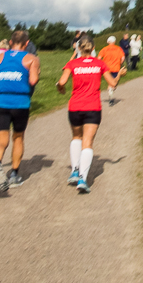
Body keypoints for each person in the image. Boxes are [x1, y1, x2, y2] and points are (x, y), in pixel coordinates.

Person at [56, 36, 120, 194]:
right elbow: (112, 84)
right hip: (93, 107)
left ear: (78, 48)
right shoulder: (99, 64)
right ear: (93, 48)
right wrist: (120, 75)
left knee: (76, 137)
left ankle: (74, 171)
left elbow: (61, 83)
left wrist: (60, 88)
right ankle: (83, 179)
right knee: (88, 141)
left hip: (75, 106)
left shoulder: (72, 64)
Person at [0, 30, 40, 191]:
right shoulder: (31, 59)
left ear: (10, 42)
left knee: (1, 141)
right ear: (27, 44)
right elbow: (33, 80)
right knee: (18, 138)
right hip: (20, 103)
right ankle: (14, 175)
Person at [98, 36, 126, 105]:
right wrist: (120, 64)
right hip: (116, 68)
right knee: (115, 83)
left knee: (110, 83)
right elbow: (123, 58)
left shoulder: (104, 49)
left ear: (108, 42)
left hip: (106, 69)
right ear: (114, 41)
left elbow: (99, 58)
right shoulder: (118, 49)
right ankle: (111, 94)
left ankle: (110, 93)